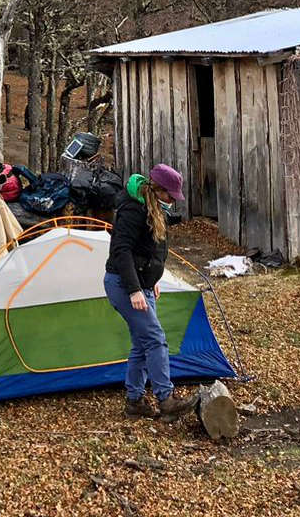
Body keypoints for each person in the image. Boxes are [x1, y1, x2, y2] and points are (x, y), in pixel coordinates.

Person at [103, 164, 199, 421]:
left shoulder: (153, 209)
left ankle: (134, 402)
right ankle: (165, 399)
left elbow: (148, 251)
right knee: (156, 339)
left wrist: (150, 279)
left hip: (142, 283)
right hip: (122, 285)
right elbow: (121, 251)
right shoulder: (133, 210)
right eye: (170, 196)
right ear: (157, 189)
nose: (172, 201)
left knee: (142, 344)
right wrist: (134, 289)